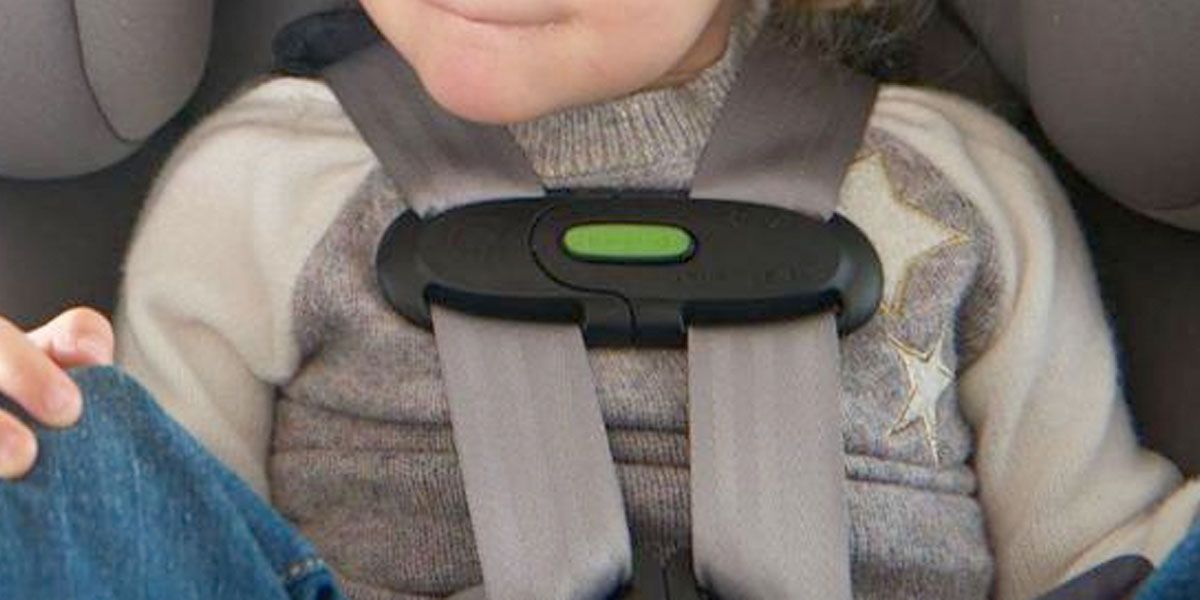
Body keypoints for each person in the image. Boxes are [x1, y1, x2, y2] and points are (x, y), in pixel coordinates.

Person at [0, 0, 1198, 598]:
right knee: (51, 438)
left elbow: (1099, 551)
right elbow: (170, 544)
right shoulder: (259, 186)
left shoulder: (953, 190)